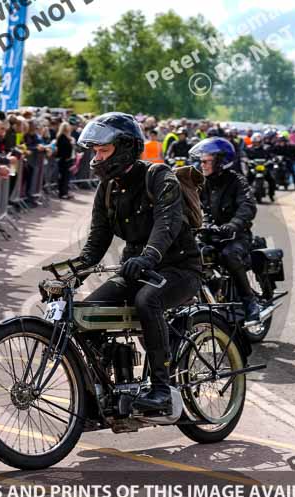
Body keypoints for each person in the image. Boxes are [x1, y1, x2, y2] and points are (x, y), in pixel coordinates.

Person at [72, 112, 202, 412]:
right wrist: (74, 271)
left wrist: (148, 256)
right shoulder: (107, 188)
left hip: (179, 268)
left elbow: (167, 223)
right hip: (136, 269)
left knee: (148, 300)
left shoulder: (158, 176)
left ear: (126, 147)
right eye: (95, 151)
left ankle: (162, 390)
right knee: (85, 315)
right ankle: (116, 384)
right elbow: (97, 239)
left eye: (103, 151)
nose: (97, 157)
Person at [190, 137, 260, 322]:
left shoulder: (237, 181)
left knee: (229, 255)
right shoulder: (203, 183)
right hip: (210, 235)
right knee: (188, 253)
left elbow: (248, 206)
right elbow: (192, 206)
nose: (201, 165)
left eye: (206, 161)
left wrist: (232, 225)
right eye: (200, 161)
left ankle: (249, 300)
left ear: (220, 162)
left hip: (236, 236)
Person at [55, 121, 75, 200]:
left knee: (67, 177)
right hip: (64, 159)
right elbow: (63, 149)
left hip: (68, 159)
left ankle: (65, 191)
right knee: (63, 177)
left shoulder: (67, 137)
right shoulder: (61, 137)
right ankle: (62, 193)